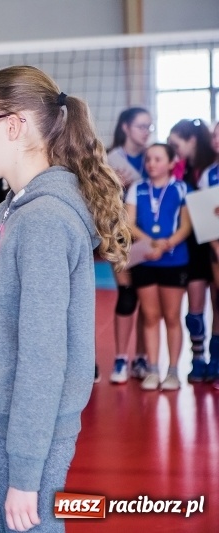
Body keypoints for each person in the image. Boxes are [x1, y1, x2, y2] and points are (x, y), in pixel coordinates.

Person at [0, 66, 130, 532]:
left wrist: (26, 471)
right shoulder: (8, 213)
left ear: (14, 126)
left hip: (28, 434)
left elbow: (43, 355)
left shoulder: (45, 221)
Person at [125, 143, 191, 391]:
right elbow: (128, 223)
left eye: (158, 159)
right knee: (150, 316)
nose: (151, 163)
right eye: (149, 159)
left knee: (172, 317)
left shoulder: (182, 188)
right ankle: (152, 369)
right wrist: (151, 241)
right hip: (145, 259)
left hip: (174, 260)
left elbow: (186, 226)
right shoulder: (137, 189)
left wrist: (167, 244)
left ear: (172, 162)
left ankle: (173, 371)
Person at [169, 119, 219, 384]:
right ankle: (198, 357)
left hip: (213, 245)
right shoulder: (183, 169)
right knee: (196, 304)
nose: (174, 151)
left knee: (216, 302)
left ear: (192, 141)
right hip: (195, 245)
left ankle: (215, 357)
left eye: (177, 145)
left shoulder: (208, 168)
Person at [106, 107, 152, 384]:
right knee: (127, 294)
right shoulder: (111, 159)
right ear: (126, 127)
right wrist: (113, 187)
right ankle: (121, 358)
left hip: (151, 236)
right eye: (141, 126)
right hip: (121, 235)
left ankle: (143, 358)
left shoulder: (155, 156)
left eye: (149, 127)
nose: (146, 132)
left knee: (149, 299)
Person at [196, 121, 219, 388]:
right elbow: (205, 216)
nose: (216, 139)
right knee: (216, 304)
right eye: (214, 135)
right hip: (215, 248)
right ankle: (214, 362)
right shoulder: (208, 175)